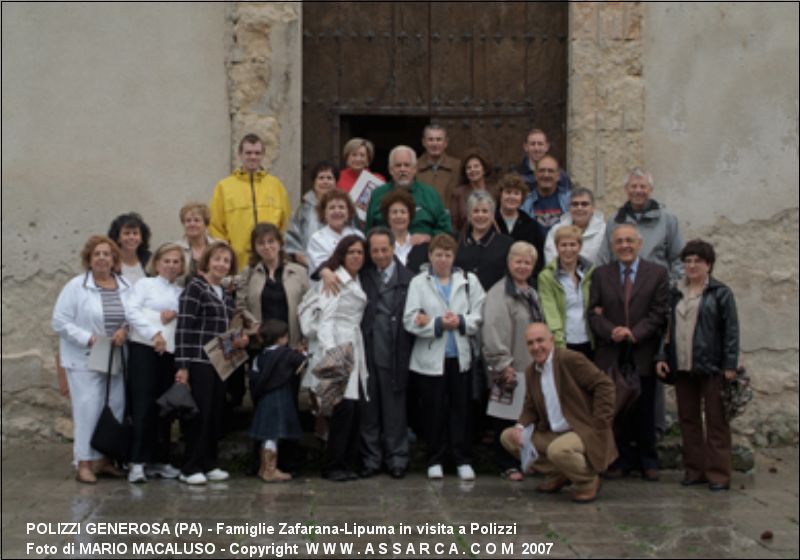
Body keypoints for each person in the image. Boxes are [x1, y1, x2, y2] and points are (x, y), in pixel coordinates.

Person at [655, 240, 739, 491]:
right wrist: (661, 357)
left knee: (716, 421)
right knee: (688, 420)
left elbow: (731, 331)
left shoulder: (721, 293)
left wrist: (730, 364)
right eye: (687, 261)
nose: (692, 266)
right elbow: (666, 329)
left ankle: (718, 475)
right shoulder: (675, 292)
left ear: (709, 265)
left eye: (697, 262)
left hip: (712, 366)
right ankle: (694, 471)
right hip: (682, 365)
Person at [500, 323, 616, 504]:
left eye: (540, 341)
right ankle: (559, 474)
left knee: (558, 450)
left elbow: (604, 385)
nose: (536, 347)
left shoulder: (570, 359)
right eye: (530, 343)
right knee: (509, 437)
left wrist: (600, 423)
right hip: (552, 431)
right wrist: (520, 426)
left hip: (581, 429)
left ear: (552, 340)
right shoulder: (532, 371)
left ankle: (588, 481)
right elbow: (530, 406)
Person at [589, 224, 669, 481]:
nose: (624, 245)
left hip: (642, 350)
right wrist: (612, 331)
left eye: (629, 241)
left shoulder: (657, 273)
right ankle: (620, 459)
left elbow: (659, 312)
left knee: (645, 408)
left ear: (639, 244)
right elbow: (593, 312)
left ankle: (648, 460)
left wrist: (635, 332)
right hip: (611, 352)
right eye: (619, 241)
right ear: (613, 247)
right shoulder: (601, 274)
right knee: (617, 408)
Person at [403, 234, 485, 481]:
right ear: (430, 256)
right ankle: (435, 459)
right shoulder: (419, 282)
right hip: (430, 359)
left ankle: (462, 458)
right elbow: (411, 319)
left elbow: (478, 315)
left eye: (448, 255)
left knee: (461, 409)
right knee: (433, 410)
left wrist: (459, 321)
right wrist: (438, 323)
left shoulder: (469, 281)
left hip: (459, 357)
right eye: (438, 254)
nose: (443, 259)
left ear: (454, 257)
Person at [52, 235, 132, 483]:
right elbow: (60, 321)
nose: (101, 258)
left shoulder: (126, 286)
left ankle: (105, 459)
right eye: (96, 254)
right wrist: (88, 338)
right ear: (89, 259)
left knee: (115, 406)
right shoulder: (76, 286)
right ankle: (84, 463)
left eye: (106, 254)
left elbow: (134, 314)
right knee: (87, 408)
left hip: (116, 355)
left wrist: (126, 330)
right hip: (86, 356)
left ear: (114, 259)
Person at [175, 241, 248, 485]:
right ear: (206, 261)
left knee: (215, 414)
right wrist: (182, 366)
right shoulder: (195, 288)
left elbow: (222, 333)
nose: (221, 264)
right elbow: (184, 327)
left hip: (220, 362)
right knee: (199, 415)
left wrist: (238, 341)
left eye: (226, 261)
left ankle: (209, 463)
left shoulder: (226, 295)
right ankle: (190, 467)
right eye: (217, 259)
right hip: (198, 361)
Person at [303, 235, 369, 481]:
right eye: (351, 252)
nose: (356, 256)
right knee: (341, 407)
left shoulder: (356, 278)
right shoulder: (335, 279)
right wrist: (333, 353)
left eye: (360, 252)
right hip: (338, 347)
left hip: (353, 344)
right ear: (342, 254)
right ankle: (333, 465)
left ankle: (345, 463)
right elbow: (326, 320)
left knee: (352, 408)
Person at [481, 241, 543, 481]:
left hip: (530, 366)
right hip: (508, 365)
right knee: (504, 417)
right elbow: (493, 330)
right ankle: (506, 463)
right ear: (509, 263)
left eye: (527, 262)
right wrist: (502, 363)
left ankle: (525, 459)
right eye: (518, 261)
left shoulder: (531, 292)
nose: (522, 266)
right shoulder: (499, 293)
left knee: (526, 417)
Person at [125, 243, 185, 483]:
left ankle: (160, 460)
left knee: (164, 408)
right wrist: (154, 333)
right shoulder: (144, 285)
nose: (171, 265)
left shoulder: (181, 292)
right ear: (157, 263)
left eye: (176, 261)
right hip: (144, 351)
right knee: (143, 406)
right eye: (167, 260)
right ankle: (137, 462)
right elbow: (131, 312)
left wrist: (174, 314)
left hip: (169, 355)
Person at [358, 227, 414, 479]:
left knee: (395, 410)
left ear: (393, 249)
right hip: (367, 350)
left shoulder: (409, 279)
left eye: (384, 249)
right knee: (369, 410)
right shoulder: (363, 276)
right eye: (375, 250)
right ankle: (371, 459)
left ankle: (397, 458)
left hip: (395, 352)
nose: (380, 255)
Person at [209, 133, 291, 267]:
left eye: (257, 153)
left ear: (263, 155)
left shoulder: (276, 186)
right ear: (240, 155)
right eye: (248, 153)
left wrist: (277, 250)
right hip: (237, 261)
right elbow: (215, 225)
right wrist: (226, 254)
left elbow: (285, 223)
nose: (253, 157)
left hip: (270, 262)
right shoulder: (224, 187)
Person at [596, 168, 684, 282]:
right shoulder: (615, 221)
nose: (638, 191)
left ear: (650, 189)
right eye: (633, 186)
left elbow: (679, 258)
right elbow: (604, 258)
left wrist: (670, 287)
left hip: (657, 291)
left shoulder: (668, 220)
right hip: (622, 289)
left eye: (643, 186)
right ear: (626, 189)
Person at [249, 319, 307, 483]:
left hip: (264, 400)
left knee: (267, 434)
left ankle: (262, 467)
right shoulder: (286, 354)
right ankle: (270, 470)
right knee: (272, 435)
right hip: (280, 400)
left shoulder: (259, 357)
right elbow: (302, 361)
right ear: (282, 338)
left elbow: (253, 378)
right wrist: (302, 353)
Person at [237, 223, 310, 349]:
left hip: (293, 344)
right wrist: (256, 327)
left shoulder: (299, 272)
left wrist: (305, 340)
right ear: (255, 248)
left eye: (271, 241)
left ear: (280, 244)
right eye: (261, 243)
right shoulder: (249, 274)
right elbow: (241, 306)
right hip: (261, 345)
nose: (267, 247)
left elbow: (309, 306)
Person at [365, 145, 452, 242]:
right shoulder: (378, 194)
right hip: (386, 253)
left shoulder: (431, 194)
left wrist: (429, 237)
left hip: (424, 252)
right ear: (390, 170)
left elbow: (446, 230)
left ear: (415, 169)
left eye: (407, 165)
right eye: (398, 165)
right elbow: (368, 232)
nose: (402, 169)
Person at [538, 226, 595, 359]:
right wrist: (559, 343)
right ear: (557, 247)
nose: (568, 249)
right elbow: (550, 313)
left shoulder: (590, 273)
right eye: (563, 245)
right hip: (565, 342)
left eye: (572, 244)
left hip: (590, 340)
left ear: (579, 247)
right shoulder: (547, 277)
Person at [455, 191, 514, 292]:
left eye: (485, 211)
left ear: (492, 215)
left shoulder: (506, 244)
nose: (480, 215)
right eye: (476, 211)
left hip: (493, 302)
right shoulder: (456, 242)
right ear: (469, 215)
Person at [285, 161, 339, 267]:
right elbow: (292, 237)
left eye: (329, 178)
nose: (325, 181)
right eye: (321, 178)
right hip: (307, 266)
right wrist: (301, 257)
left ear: (336, 182)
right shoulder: (303, 210)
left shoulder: (345, 208)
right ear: (314, 183)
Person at [544, 187, 606, 266]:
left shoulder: (604, 231)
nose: (579, 208)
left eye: (584, 204)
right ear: (569, 207)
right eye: (575, 204)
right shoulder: (556, 230)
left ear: (593, 207)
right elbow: (551, 260)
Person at [306, 190, 364, 276]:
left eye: (341, 207)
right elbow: (322, 268)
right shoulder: (317, 238)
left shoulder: (358, 235)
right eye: (332, 208)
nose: (337, 211)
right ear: (324, 213)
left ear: (349, 212)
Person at [520, 154, 571, 239]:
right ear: (535, 175)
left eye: (550, 171)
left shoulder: (570, 200)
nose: (546, 175)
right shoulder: (525, 202)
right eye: (542, 171)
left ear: (558, 176)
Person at [514, 128, 572, 196]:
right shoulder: (516, 174)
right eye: (533, 144)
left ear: (547, 147)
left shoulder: (561, 175)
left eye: (540, 144)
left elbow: (566, 200)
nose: (536, 148)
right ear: (526, 147)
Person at [416, 124, 462, 204]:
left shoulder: (458, 167)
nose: (434, 144)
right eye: (430, 139)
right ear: (424, 142)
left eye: (438, 139)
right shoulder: (413, 167)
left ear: (446, 143)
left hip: (450, 216)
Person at [449, 151, 491, 234]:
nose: (472, 170)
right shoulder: (458, 194)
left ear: (484, 169)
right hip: (464, 240)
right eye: (468, 168)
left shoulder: (494, 192)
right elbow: (453, 225)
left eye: (476, 166)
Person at [176, 202, 218, 286]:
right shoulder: (176, 249)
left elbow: (229, 276)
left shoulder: (218, 246)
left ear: (205, 224)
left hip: (214, 295)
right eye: (188, 221)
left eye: (196, 220)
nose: (192, 224)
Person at [108, 212, 152, 286]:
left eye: (135, 233)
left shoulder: (150, 259)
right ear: (117, 238)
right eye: (127, 233)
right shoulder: (110, 261)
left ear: (141, 238)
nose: (131, 237)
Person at [379, 189, 416, 266]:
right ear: (387, 216)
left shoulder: (418, 245)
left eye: (403, 212)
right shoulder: (380, 245)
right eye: (394, 212)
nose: (399, 216)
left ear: (410, 215)